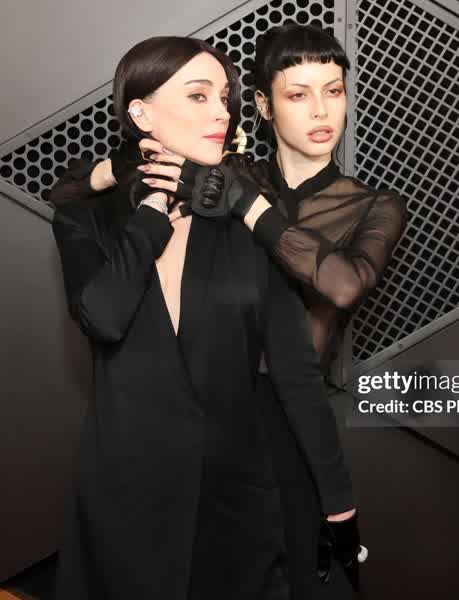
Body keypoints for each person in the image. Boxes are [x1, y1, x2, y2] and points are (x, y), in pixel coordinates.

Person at [50, 35, 358, 600]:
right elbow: (105, 318)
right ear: (141, 113)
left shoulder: (246, 219)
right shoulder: (86, 218)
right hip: (125, 496)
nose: (222, 112)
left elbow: (294, 370)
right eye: (199, 95)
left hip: (236, 501)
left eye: (224, 97)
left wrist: (338, 502)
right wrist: (152, 211)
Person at [118, 24, 406, 598]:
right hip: (196, 404)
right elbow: (94, 196)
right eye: (298, 94)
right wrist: (123, 165)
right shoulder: (222, 173)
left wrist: (246, 206)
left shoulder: (374, 206)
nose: (322, 110)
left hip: (291, 425)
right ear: (263, 106)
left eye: (334, 90)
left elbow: (343, 285)